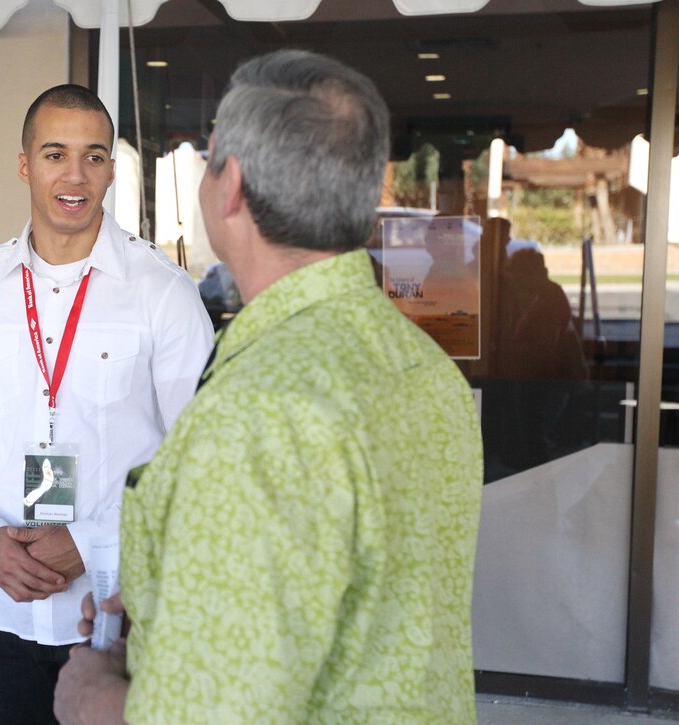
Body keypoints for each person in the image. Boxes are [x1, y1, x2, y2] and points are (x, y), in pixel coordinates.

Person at [54, 50, 483, 724]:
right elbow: (364, 600)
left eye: (208, 155)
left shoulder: (259, 413)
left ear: (232, 186)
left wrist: (95, 700)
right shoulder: (425, 368)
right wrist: (173, 607)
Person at [0, 84, 213, 724]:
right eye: (55, 154)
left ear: (111, 169)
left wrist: (94, 542)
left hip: (118, 618)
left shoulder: (163, 293)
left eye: (95, 156)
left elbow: (201, 459)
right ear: (25, 164)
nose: (75, 175)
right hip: (0, 613)